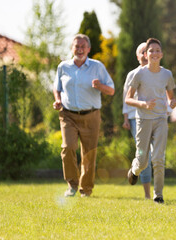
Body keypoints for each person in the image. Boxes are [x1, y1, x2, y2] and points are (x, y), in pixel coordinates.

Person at [53, 34, 115, 197]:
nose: (79, 49)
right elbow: (57, 87)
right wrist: (58, 100)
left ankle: (85, 189)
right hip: (68, 115)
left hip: (91, 115)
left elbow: (111, 90)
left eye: (83, 46)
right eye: (77, 46)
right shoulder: (63, 66)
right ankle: (72, 185)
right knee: (67, 148)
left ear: (88, 49)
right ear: (72, 48)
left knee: (89, 153)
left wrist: (100, 86)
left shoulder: (97, 67)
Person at [125, 38, 176, 204]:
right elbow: (128, 99)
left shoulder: (167, 74)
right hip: (143, 120)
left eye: (157, 50)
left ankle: (158, 195)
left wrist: (173, 103)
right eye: (151, 51)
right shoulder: (138, 74)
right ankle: (134, 170)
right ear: (146, 55)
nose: (154, 53)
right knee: (142, 160)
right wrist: (143, 104)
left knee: (159, 158)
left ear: (161, 54)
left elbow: (170, 97)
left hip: (161, 119)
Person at [122, 42, 153, 200]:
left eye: (148, 51)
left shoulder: (159, 74)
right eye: (142, 52)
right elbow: (126, 97)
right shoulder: (132, 75)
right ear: (137, 56)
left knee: (156, 155)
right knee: (144, 155)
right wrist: (126, 118)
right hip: (137, 118)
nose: (146, 55)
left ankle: (157, 193)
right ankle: (148, 194)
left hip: (156, 118)